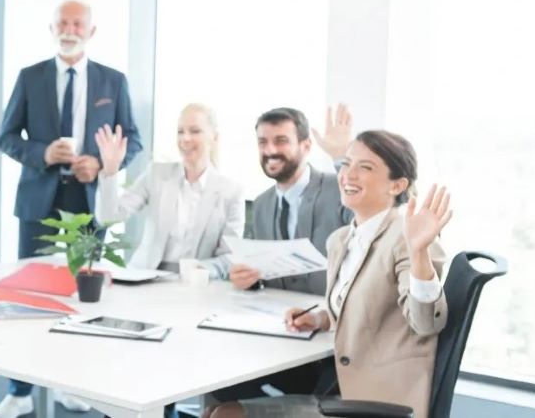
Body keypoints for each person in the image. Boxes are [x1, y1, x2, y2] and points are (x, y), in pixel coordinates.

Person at [208, 131, 451, 418]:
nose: (348, 175)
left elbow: (425, 323)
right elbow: (365, 305)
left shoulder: (405, 236)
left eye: (365, 167)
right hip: (341, 386)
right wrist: (321, 318)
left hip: (378, 401)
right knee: (215, 408)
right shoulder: (341, 240)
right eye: (346, 164)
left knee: (224, 415)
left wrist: (419, 252)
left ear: (397, 185)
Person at [0, 0, 142, 418]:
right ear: (52, 28)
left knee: (84, 297)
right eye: (63, 22)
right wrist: (42, 153)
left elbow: (133, 139)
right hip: (38, 200)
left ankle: (71, 382)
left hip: (89, 201)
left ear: (91, 31)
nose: (69, 29)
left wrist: (102, 164)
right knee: (28, 294)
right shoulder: (30, 76)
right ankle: (19, 391)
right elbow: (6, 136)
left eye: (78, 23)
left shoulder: (113, 81)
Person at [212, 106, 354, 403]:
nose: (270, 150)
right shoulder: (262, 203)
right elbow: (269, 271)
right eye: (262, 142)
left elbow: (371, 221)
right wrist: (250, 279)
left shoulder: (338, 190)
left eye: (281, 141)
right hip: (282, 333)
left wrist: (343, 158)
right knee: (219, 378)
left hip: (329, 340)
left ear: (306, 146)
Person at [94, 104, 245, 276]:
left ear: (214, 137)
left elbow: (229, 257)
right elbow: (108, 217)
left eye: (195, 131)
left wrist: (200, 271)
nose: (185, 138)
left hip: (195, 284)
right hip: (146, 277)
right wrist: (110, 170)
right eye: (180, 132)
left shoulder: (231, 192)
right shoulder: (156, 174)